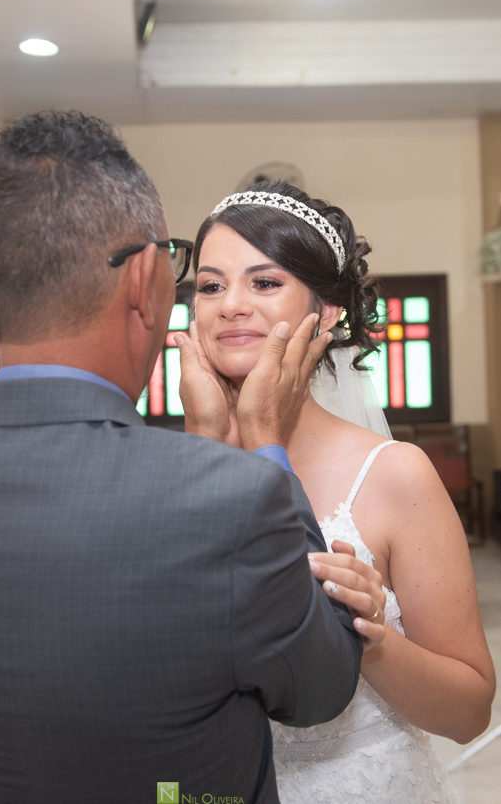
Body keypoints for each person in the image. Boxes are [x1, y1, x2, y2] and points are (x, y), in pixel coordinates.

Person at [0, 112, 378, 804]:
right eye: (201, 280)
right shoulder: (231, 496)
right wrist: (265, 447)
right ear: (144, 281)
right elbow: (319, 687)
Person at [178, 181, 496, 804]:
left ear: (324, 313)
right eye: (211, 286)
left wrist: (373, 639)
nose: (230, 305)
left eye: (264, 283)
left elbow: (469, 714)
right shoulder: (162, 468)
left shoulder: (394, 474)